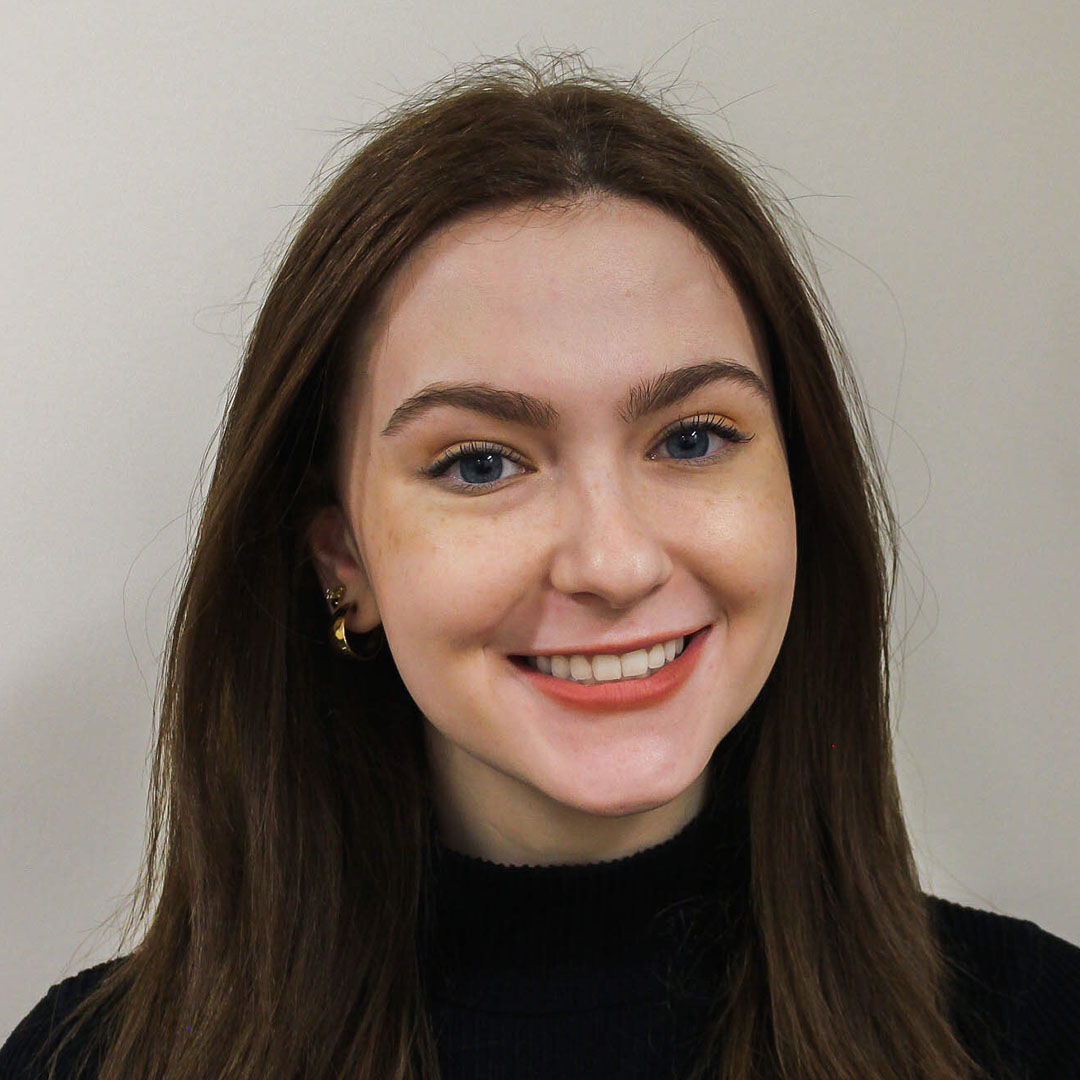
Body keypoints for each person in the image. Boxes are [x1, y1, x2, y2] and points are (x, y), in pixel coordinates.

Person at [2, 51, 1077, 1080]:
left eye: (692, 439)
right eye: (480, 463)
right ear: (344, 562)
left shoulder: (1035, 1033)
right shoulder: (85, 1064)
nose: (613, 562)